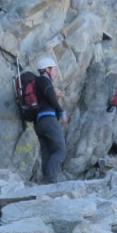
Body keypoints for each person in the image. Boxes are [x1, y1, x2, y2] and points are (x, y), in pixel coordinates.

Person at [33, 55, 68, 183]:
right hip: (48, 120)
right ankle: (50, 180)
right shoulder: (44, 80)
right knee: (60, 150)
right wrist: (61, 111)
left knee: (47, 152)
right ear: (47, 69)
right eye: (54, 69)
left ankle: (45, 181)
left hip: (39, 123)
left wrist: (54, 93)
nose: (56, 73)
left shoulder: (39, 83)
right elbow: (49, 95)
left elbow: (47, 96)